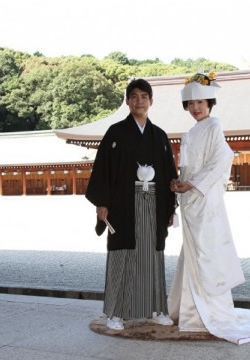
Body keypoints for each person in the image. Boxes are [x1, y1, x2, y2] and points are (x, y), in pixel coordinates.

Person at [168, 72, 250, 344]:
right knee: (195, 252)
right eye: (191, 103)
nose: (196, 108)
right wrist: (179, 182)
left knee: (208, 253)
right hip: (192, 198)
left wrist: (192, 184)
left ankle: (205, 312)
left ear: (209, 103)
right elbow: (190, 166)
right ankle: (189, 310)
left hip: (204, 199)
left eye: (201, 102)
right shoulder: (191, 132)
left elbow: (222, 158)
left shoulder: (214, 125)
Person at [85, 78, 178, 331]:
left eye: (144, 96)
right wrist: (102, 203)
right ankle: (116, 313)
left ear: (151, 101)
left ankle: (157, 309)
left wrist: (170, 208)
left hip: (153, 203)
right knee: (122, 256)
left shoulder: (159, 136)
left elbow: (170, 173)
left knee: (151, 257)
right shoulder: (115, 133)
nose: (139, 101)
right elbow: (102, 168)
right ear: (127, 101)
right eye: (134, 96)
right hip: (122, 204)